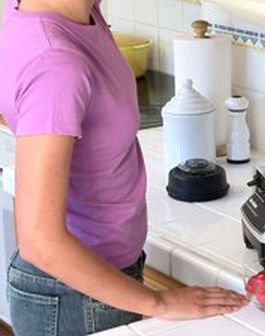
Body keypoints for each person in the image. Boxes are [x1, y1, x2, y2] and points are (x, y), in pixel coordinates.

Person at [0, 0, 248, 335]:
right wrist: (158, 303)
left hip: (95, 282)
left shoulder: (75, 14)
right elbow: (39, 240)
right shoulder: (56, 63)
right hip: (76, 298)